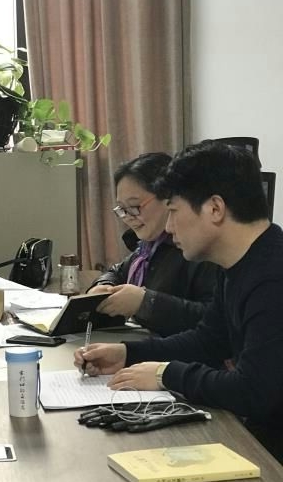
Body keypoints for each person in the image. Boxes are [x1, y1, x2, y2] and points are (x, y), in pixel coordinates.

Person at [76, 140, 283, 463]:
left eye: (173, 211)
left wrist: (166, 374)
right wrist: (128, 354)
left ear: (215, 209)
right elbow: (208, 341)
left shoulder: (272, 276)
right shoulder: (238, 265)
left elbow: (254, 392)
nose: (170, 228)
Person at [88, 152, 219, 336]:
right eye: (122, 209)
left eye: (135, 207)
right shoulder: (148, 247)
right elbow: (118, 271)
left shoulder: (198, 248)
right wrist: (104, 285)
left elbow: (216, 321)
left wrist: (146, 303)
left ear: (168, 199)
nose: (128, 218)